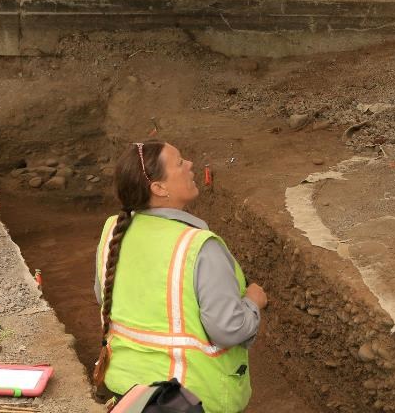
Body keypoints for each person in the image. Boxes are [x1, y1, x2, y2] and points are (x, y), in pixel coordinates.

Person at [93, 142, 268, 412]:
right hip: (187, 399)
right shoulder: (198, 246)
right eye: (180, 163)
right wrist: (253, 303)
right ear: (158, 188)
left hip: (128, 393)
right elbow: (228, 329)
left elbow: (103, 295)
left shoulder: (113, 230)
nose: (190, 165)